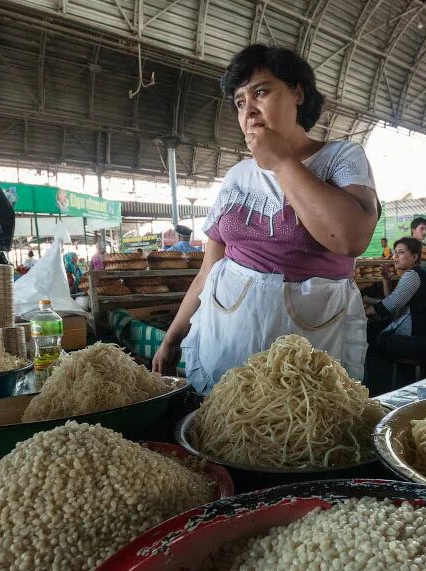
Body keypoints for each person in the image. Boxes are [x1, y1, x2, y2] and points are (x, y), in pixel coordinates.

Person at [151, 44, 379, 391]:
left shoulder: (341, 157)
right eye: (240, 102)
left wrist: (283, 162)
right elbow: (209, 271)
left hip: (306, 350)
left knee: (297, 431)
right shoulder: (237, 176)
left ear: (298, 93)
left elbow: (349, 239)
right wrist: (172, 339)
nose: (249, 110)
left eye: (261, 92)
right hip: (227, 342)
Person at [365, 237, 426, 354]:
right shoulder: (417, 272)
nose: (395, 256)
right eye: (395, 252)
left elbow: (392, 305)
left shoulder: (413, 274)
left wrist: (362, 312)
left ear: (414, 257)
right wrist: (386, 280)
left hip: (422, 337)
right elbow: (393, 301)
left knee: (372, 337)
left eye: (401, 252)